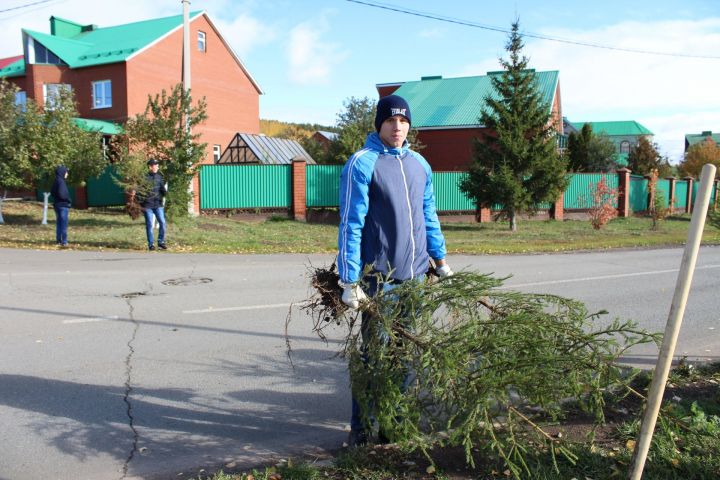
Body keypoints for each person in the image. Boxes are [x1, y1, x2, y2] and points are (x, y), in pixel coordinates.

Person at [337, 94, 453, 446]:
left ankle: (394, 425)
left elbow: (428, 214)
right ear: (379, 123)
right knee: (375, 356)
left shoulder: (419, 164)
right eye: (391, 120)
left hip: (415, 276)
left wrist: (441, 259)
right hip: (379, 280)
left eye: (403, 121)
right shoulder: (362, 163)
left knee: (405, 356)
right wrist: (349, 279)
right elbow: (350, 223)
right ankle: (363, 429)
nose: (398, 127)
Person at [139, 158, 168, 251]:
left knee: (163, 223)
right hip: (148, 206)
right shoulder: (144, 177)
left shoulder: (159, 177)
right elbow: (140, 192)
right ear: (150, 167)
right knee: (150, 225)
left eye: (157, 165)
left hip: (158, 205)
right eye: (155, 165)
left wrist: (166, 193)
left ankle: (161, 242)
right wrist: (141, 203)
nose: (157, 167)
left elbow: (162, 190)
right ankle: (151, 244)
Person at [51, 165, 71, 248]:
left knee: (59, 223)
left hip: (57, 204)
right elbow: (63, 194)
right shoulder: (61, 182)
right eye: (66, 172)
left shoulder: (56, 181)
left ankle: (58, 240)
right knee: (63, 224)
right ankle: (64, 241)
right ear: (62, 172)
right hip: (63, 205)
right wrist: (68, 200)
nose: (67, 174)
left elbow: (52, 192)